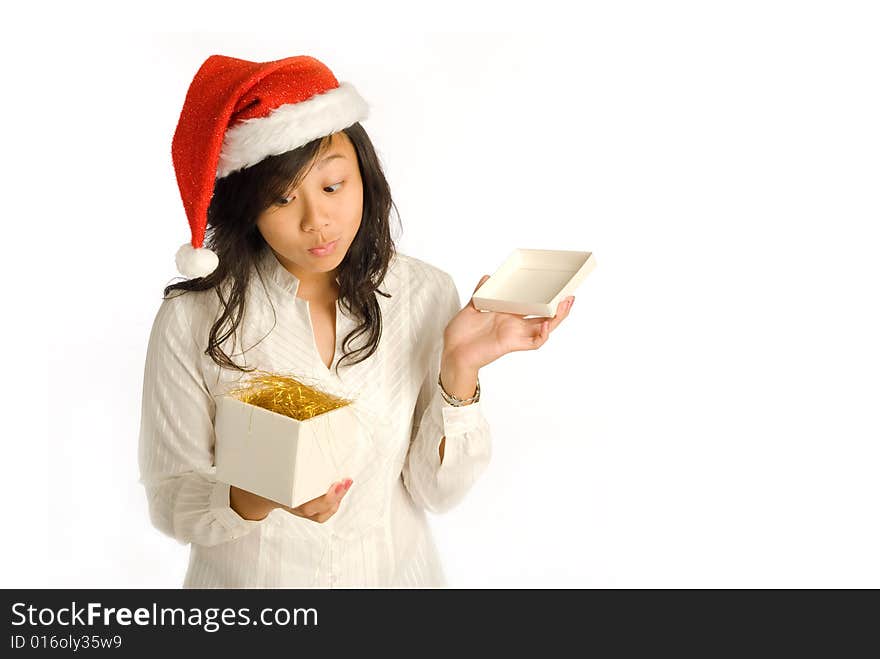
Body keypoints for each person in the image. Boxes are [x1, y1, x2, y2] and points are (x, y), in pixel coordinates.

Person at [137, 53, 575, 588]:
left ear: (363, 176)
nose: (316, 221)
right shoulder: (192, 319)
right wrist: (257, 494)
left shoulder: (423, 293)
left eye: (332, 186)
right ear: (247, 208)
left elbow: (438, 492)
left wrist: (460, 369)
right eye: (281, 199)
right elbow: (170, 502)